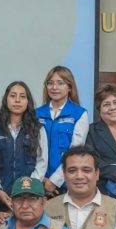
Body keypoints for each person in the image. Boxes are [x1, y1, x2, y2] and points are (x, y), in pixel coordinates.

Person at [0, 81, 47, 212]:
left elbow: (42, 161)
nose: (17, 100)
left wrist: (29, 189)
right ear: (6, 100)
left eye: (22, 96)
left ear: (28, 101)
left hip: (28, 198)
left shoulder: (37, 129)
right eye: (13, 96)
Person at [36, 66, 88, 196]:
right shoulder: (36, 113)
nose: (54, 87)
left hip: (65, 184)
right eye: (50, 83)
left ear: (69, 87)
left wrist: (54, 181)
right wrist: (40, 180)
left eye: (60, 83)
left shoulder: (79, 114)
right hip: (38, 182)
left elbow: (74, 152)